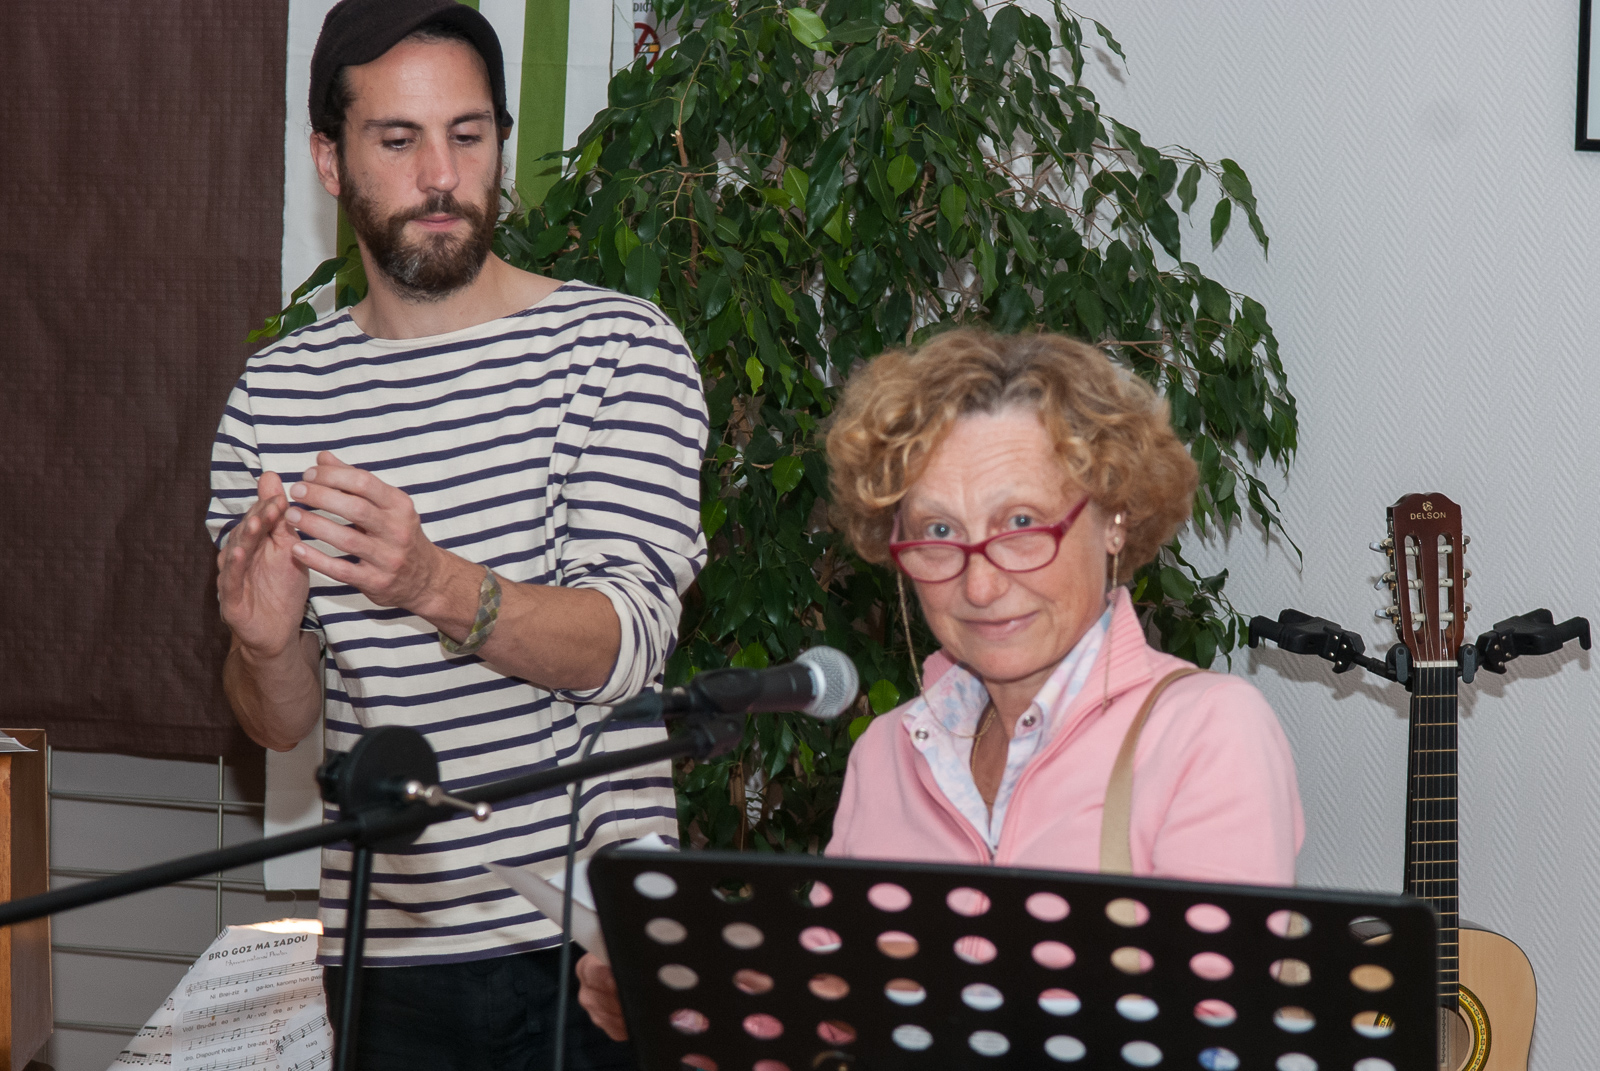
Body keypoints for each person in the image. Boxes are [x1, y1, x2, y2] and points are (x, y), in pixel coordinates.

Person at [205, 0, 706, 1066]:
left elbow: (624, 644)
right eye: (399, 140)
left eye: (468, 135)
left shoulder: (616, 350)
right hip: (387, 953)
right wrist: (262, 645)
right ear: (330, 161)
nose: (442, 175)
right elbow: (281, 724)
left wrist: (432, 581)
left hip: (593, 947)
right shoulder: (276, 397)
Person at [575, 328, 1301, 1041]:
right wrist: (680, 1004)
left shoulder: (1206, 732)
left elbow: (1213, 1032)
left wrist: (892, 983)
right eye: (939, 533)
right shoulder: (888, 753)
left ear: (1115, 518)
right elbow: (817, 1029)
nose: (979, 584)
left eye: (1021, 522)